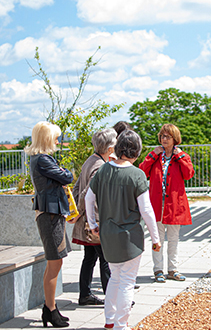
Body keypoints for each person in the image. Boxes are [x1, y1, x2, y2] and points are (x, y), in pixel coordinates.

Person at [84, 130, 161, 330]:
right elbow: (146, 210)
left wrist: (93, 224)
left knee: (115, 279)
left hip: (107, 235)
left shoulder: (102, 171)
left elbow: (88, 198)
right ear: (137, 151)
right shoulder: (137, 174)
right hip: (130, 238)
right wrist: (155, 238)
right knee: (127, 281)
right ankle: (121, 324)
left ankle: (110, 320)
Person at [25, 121, 74, 328]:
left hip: (52, 213)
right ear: (47, 138)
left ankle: (50, 308)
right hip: (50, 214)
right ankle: (50, 310)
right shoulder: (43, 160)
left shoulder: (40, 159)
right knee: (55, 262)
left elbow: (63, 177)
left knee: (56, 262)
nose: (58, 140)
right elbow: (67, 176)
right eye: (55, 136)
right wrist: (63, 173)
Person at [139, 124, 194, 283]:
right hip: (156, 204)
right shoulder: (155, 156)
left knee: (173, 238)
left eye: (167, 136)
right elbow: (142, 172)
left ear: (174, 139)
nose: (164, 139)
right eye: (162, 136)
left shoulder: (182, 156)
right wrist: (151, 155)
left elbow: (189, 174)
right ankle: (158, 270)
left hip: (175, 205)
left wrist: (180, 157)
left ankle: (173, 269)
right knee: (157, 239)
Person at [70, 128, 117, 306]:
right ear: (110, 149)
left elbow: (77, 187)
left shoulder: (90, 160)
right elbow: (86, 193)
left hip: (87, 220)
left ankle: (85, 294)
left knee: (89, 258)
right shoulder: (100, 167)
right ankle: (112, 297)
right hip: (94, 221)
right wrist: (79, 213)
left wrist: (74, 210)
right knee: (106, 260)